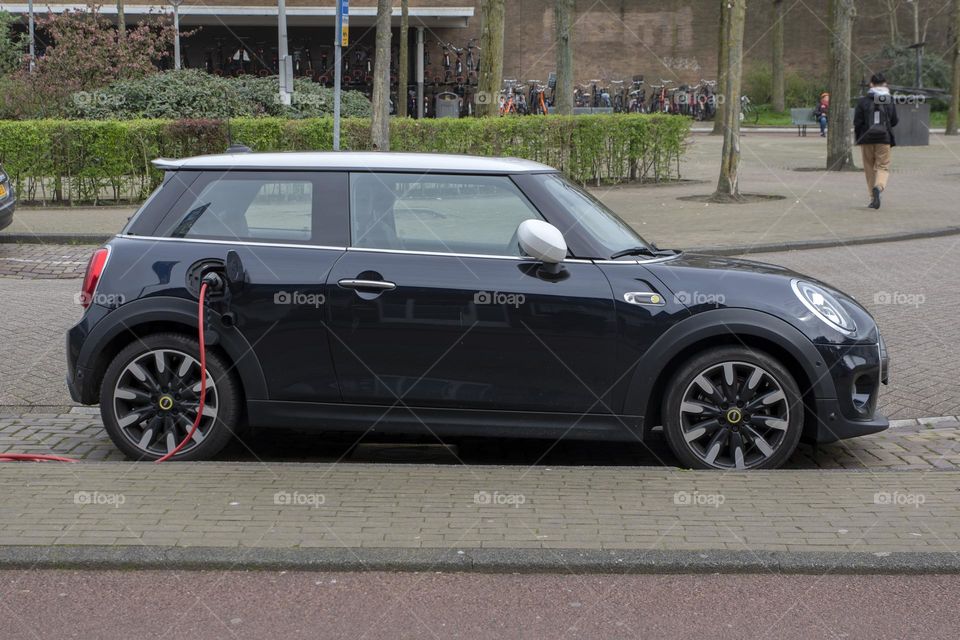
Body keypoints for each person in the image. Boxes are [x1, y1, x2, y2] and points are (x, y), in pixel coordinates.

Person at [854, 73, 899, 209]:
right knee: (882, 166)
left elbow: (857, 122)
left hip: (866, 138)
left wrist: (859, 137)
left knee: (869, 168)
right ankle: (879, 187)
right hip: (883, 138)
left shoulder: (863, 101)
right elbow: (894, 120)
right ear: (885, 84)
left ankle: (873, 199)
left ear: (871, 84)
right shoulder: (888, 99)